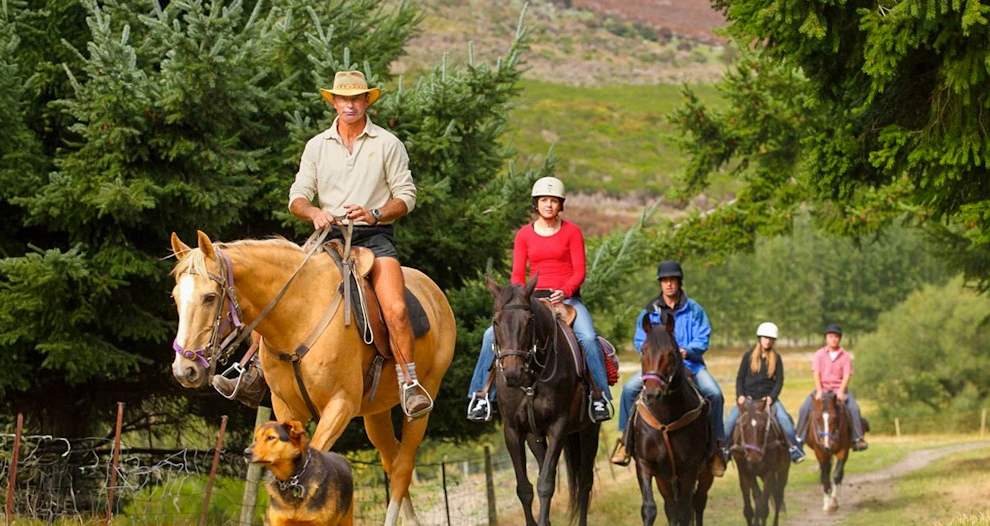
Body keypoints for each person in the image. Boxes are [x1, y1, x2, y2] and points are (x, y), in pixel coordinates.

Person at [213, 70, 432, 419]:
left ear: (366, 101)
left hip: (374, 237)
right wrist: (314, 212)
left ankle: (409, 384)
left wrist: (374, 213)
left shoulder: (388, 143)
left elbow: (406, 196)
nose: (350, 104)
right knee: (279, 294)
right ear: (333, 101)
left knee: (396, 309)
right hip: (327, 237)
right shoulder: (316, 145)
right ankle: (250, 372)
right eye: (343, 98)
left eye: (356, 98)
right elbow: (297, 196)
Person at [465, 176, 613, 423]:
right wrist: (523, 296)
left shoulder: (572, 232)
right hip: (531, 299)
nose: (548, 205)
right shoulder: (524, 235)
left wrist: (564, 291)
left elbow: (579, 271)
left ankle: (599, 397)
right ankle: (480, 396)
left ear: (560, 204)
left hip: (567, 300)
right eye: (544, 200)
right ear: (536, 203)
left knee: (587, 338)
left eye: (553, 200)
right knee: (490, 336)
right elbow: (516, 273)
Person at [610, 260, 725, 466]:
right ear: (660, 284)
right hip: (657, 369)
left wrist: (687, 351)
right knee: (628, 390)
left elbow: (703, 336)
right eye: (664, 281)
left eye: (672, 280)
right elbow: (639, 340)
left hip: (691, 366)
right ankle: (625, 442)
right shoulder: (649, 312)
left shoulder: (695, 310)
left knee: (715, 394)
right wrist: (653, 355)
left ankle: (716, 447)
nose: (669, 284)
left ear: (679, 282)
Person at [723, 322, 806, 463]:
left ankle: (794, 449)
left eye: (770, 338)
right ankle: (723, 452)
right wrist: (740, 395)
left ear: (773, 341)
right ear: (759, 338)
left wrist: (771, 397)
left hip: (767, 400)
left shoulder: (776, 358)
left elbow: (779, 381)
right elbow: (740, 378)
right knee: (730, 422)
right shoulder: (748, 356)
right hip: (748, 399)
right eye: (765, 337)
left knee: (785, 420)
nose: (767, 341)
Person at [795, 324, 868, 451]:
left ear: (839, 339)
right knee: (804, 408)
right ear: (826, 338)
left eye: (836, 337)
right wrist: (818, 390)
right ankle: (799, 438)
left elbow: (847, 375)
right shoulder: (819, 354)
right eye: (830, 337)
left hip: (838, 389)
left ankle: (857, 438)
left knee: (854, 408)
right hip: (822, 388)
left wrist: (841, 390)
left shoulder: (845, 356)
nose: (833, 339)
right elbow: (816, 373)